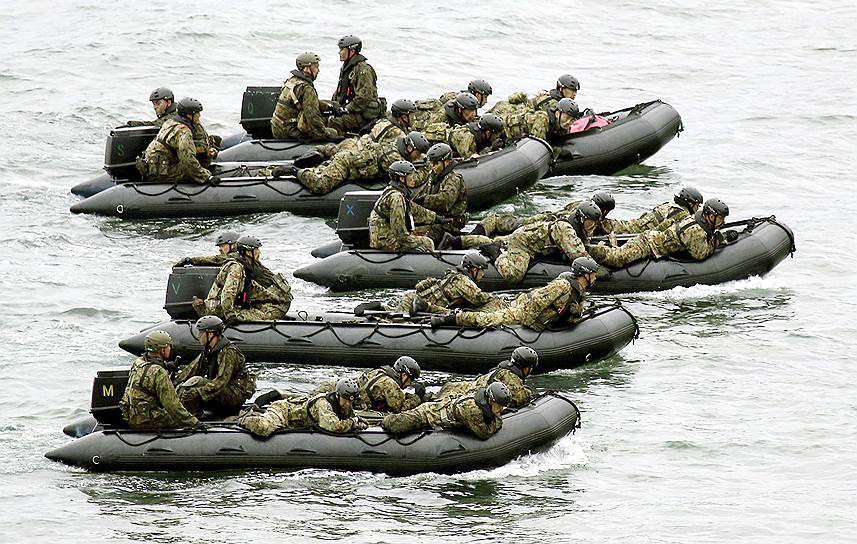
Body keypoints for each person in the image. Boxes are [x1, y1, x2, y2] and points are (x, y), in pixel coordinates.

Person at [431, 257, 600, 331]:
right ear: (585, 274)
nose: (595, 277)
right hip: (522, 311)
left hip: (530, 311)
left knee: (491, 310)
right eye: (593, 274)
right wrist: (529, 322)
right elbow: (537, 300)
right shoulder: (562, 286)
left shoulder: (579, 292)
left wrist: (576, 314)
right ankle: (453, 318)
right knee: (488, 320)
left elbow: (567, 314)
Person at [458, 200, 602, 284]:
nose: (593, 226)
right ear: (582, 219)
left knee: (501, 241)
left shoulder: (576, 225)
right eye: (592, 223)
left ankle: (462, 241)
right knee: (514, 275)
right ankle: (495, 252)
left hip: (533, 238)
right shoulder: (566, 230)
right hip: (523, 244)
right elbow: (580, 257)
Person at [588, 198, 733, 268]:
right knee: (618, 259)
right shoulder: (696, 230)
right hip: (649, 244)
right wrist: (717, 240)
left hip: (654, 239)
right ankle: (589, 250)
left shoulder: (698, 218)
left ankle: (609, 246)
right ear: (711, 216)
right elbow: (700, 254)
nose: (722, 222)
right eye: (720, 218)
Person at [289, 127, 431, 195]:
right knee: (320, 187)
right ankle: (294, 171)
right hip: (346, 164)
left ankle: (323, 152)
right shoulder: (393, 157)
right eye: (418, 153)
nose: (419, 157)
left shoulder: (396, 145)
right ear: (410, 148)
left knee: (337, 153)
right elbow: (414, 179)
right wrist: (427, 167)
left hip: (356, 153)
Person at [193, 235, 293, 321]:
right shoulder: (236, 267)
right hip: (218, 309)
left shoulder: (246, 266)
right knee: (265, 316)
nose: (259, 252)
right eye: (256, 250)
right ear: (249, 253)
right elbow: (228, 293)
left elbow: (252, 288)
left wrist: (275, 299)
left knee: (267, 308)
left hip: (227, 306)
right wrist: (230, 315)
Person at [173, 316, 256, 416]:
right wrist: (173, 384)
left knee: (197, 381)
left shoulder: (228, 352)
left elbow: (221, 382)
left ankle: (192, 416)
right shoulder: (208, 351)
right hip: (220, 392)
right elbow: (191, 370)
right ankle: (180, 412)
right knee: (185, 386)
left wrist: (198, 392)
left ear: (211, 334)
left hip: (234, 395)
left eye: (201, 333)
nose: (198, 336)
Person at [119, 330, 199, 429]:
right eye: (168, 346)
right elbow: (172, 405)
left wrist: (166, 365)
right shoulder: (159, 372)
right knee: (187, 410)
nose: (170, 348)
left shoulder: (138, 363)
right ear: (162, 350)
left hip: (131, 417)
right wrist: (194, 422)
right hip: (148, 420)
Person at [238, 377, 368, 437]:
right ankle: (245, 417)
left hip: (298, 416)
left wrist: (358, 422)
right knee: (263, 429)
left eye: (351, 401)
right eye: (345, 399)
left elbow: (353, 419)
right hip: (285, 412)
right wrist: (352, 423)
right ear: (338, 395)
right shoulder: (323, 403)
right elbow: (332, 426)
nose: (347, 404)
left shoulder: (346, 405)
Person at [381, 382, 511, 440]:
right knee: (395, 425)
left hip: (442, 407)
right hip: (429, 414)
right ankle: (381, 421)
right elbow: (484, 433)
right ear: (491, 401)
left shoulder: (481, 399)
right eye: (500, 406)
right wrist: (498, 420)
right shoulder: (472, 410)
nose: (501, 410)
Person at [391, 251, 504, 315]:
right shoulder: (462, 281)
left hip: (414, 299)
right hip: (412, 303)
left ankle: (382, 308)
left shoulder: (454, 276)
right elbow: (478, 297)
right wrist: (495, 299)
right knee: (396, 321)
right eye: (481, 270)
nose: (483, 274)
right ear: (474, 269)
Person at [137, 97, 217, 184]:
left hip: (152, 167)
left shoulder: (170, 122)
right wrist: (207, 177)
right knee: (196, 167)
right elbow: (187, 159)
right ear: (189, 115)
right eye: (197, 114)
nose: (199, 116)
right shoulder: (184, 131)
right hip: (160, 173)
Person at [307, 356, 427, 413]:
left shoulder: (380, 371)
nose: (410, 384)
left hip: (333, 389)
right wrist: (417, 396)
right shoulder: (390, 385)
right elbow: (400, 409)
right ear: (405, 375)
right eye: (411, 380)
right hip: (345, 400)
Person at [368, 161, 443, 252]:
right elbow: (399, 232)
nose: (414, 179)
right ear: (402, 179)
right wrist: (412, 244)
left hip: (385, 236)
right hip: (386, 241)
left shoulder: (393, 191)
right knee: (427, 242)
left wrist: (436, 218)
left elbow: (415, 210)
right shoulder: (397, 198)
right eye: (410, 176)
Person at [437, 346, 539, 408]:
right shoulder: (511, 378)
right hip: (458, 395)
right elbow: (520, 398)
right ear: (526, 368)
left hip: (456, 388)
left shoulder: (502, 370)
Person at [271, 52, 339, 141]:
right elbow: (313, 117)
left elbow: (305, 103)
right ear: (307, 68)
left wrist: (329, 105)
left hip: (276, 127)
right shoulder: (307, 88)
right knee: (334, 131)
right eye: (316, 67)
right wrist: (327, 134)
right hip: (290, 131)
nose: (318, 70)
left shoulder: (292, 81)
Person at [327, 35, 383, 134]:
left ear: (352, 51)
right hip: (352, 109)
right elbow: (340, 92)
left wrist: (346, 109)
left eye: (342, 50)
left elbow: (364, 97)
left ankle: (339, 143)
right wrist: (333, 105)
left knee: (334, 122)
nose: (339, 53)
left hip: (363, 114)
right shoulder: (347, 67)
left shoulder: (363, 70)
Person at [412, 143, 468, 243]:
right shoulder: (433, 177)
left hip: (449, 222)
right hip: (435, 219)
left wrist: (424, 200)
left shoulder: (454, 179)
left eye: (436, 164)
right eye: (431, 164)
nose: (432, 167)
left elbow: (445, 201)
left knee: (418, 239)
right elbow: (421, 194)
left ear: (446, 162)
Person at [602, 186, 704, 234]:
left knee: (623, 225)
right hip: (643, 228)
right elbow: (662, 228)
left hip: (641, 223)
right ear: (690, 203)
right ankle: (599, 224)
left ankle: (601, 224)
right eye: (697, 205)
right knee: (623, 228)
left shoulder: (671, 205)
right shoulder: (682, 213)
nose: (698, 208)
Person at [489, 74, 581, 116]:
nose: (574, 94)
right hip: (510, 111)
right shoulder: (554, 104)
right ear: (561, 88)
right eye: (572, 90)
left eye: (576, 91)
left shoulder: (551, 95)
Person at [500, 98, 582, 140]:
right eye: (566, 118)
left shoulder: (563, 128)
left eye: (572, 120)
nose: (568, 122)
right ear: (557, 114)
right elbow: (537, 145)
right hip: (504, 129)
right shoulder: (543, 118)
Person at [174, 231, 240, 267]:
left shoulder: (236, 257)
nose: (220, 249)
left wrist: (190, 260)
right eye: (219, 246)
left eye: (222, 246)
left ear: (233, 245)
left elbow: (216, 260)